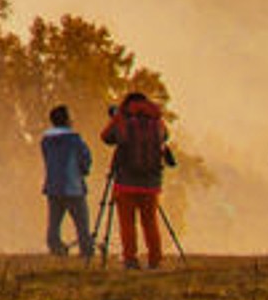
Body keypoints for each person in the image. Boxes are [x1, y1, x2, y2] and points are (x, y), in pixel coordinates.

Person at [100, 90, 172, 270]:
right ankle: (155, 258)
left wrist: (115, 118)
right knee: (150, 221)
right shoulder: (157, 120)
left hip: (125, 180)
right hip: (151, 181)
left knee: (127, 222)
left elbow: (106, 137)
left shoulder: (122, 118)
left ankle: (130, 258)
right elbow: (165, 137)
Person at [41, 105, 93, 260]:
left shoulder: (46, 141)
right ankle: (86, 249)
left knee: (54, 221)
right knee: (82, 222)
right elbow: (85, 159)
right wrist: (84, 171)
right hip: (73, 186)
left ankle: (56, 247)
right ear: (67, 120)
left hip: (53, 186)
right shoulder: (74, 140)